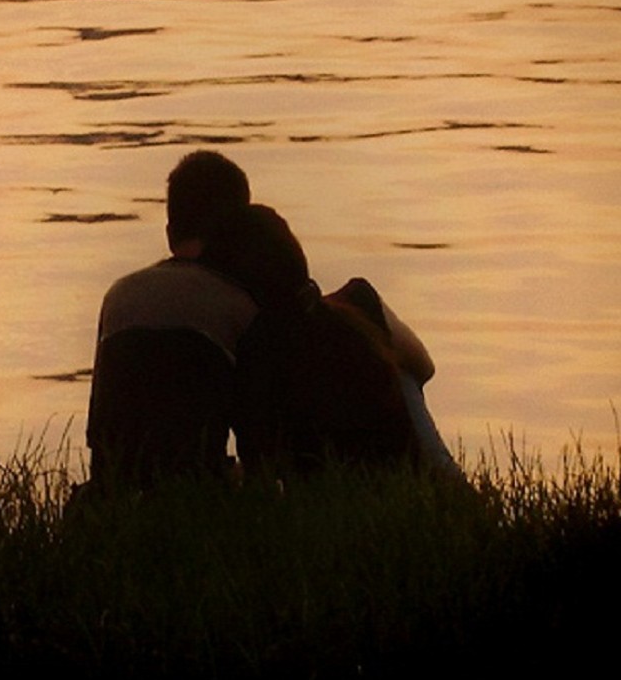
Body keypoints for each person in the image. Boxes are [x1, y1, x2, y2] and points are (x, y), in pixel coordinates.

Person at [204, 203, 459, 480]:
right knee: (402, 373)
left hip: (341, 506)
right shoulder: (361, 301)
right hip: (410, 485)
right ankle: (451, 488)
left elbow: (262, 472)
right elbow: (424, 368)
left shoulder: (257, 357)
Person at [84, 150, 257, 492]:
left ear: (169, 232)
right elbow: (259, 442)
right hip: (200, 498)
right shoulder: (239, 304)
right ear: (239, 232)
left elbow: (101, 431)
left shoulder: (118, 296)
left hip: (112, 495)